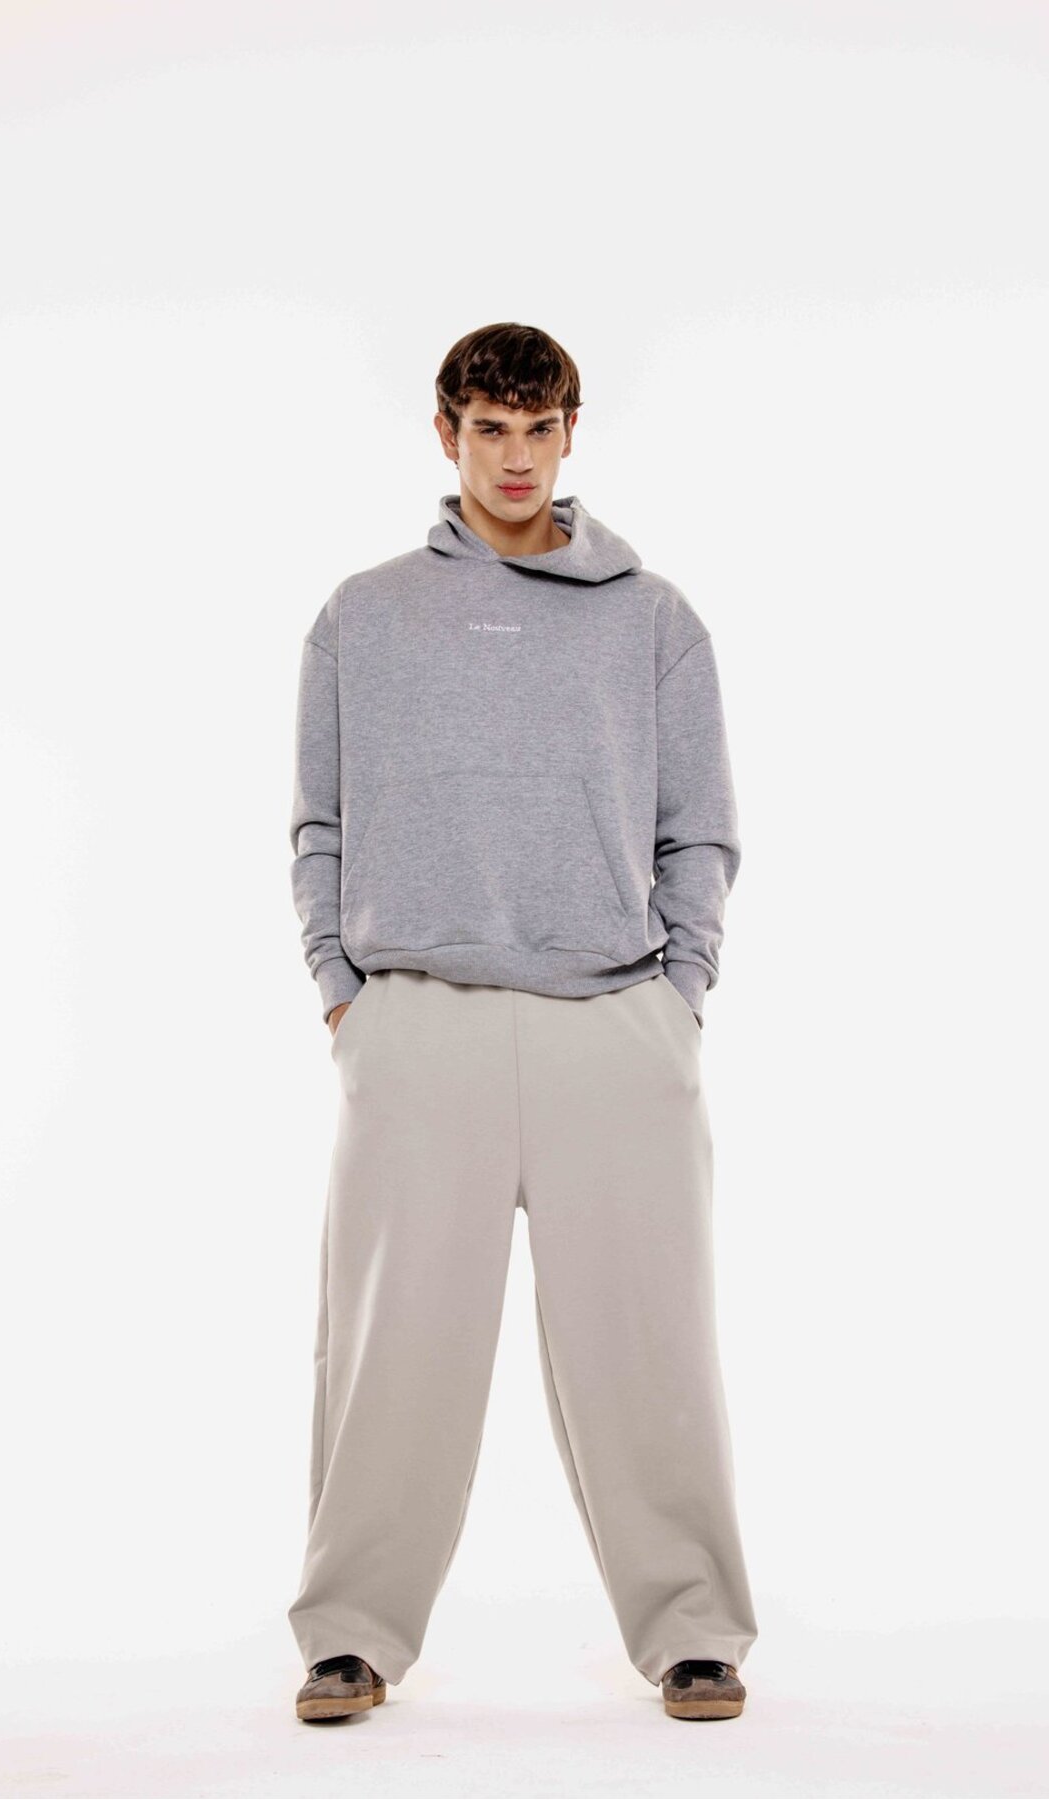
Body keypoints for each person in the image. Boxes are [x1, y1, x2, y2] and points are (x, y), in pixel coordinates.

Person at [286, 321, 758, 1725]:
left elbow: (699, 830)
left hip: (612, 1022)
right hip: (416, 1022)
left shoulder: (652, 620)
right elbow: (319, 822)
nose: (513, 457)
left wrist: (680, 997)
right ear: (447, 435)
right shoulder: (364, 618)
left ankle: (694, 1632)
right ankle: (350, 1637)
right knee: (390, 1352)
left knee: (652, 1347)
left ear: (569, 433)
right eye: (487, 429)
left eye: (536, 428)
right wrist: (341, 991)